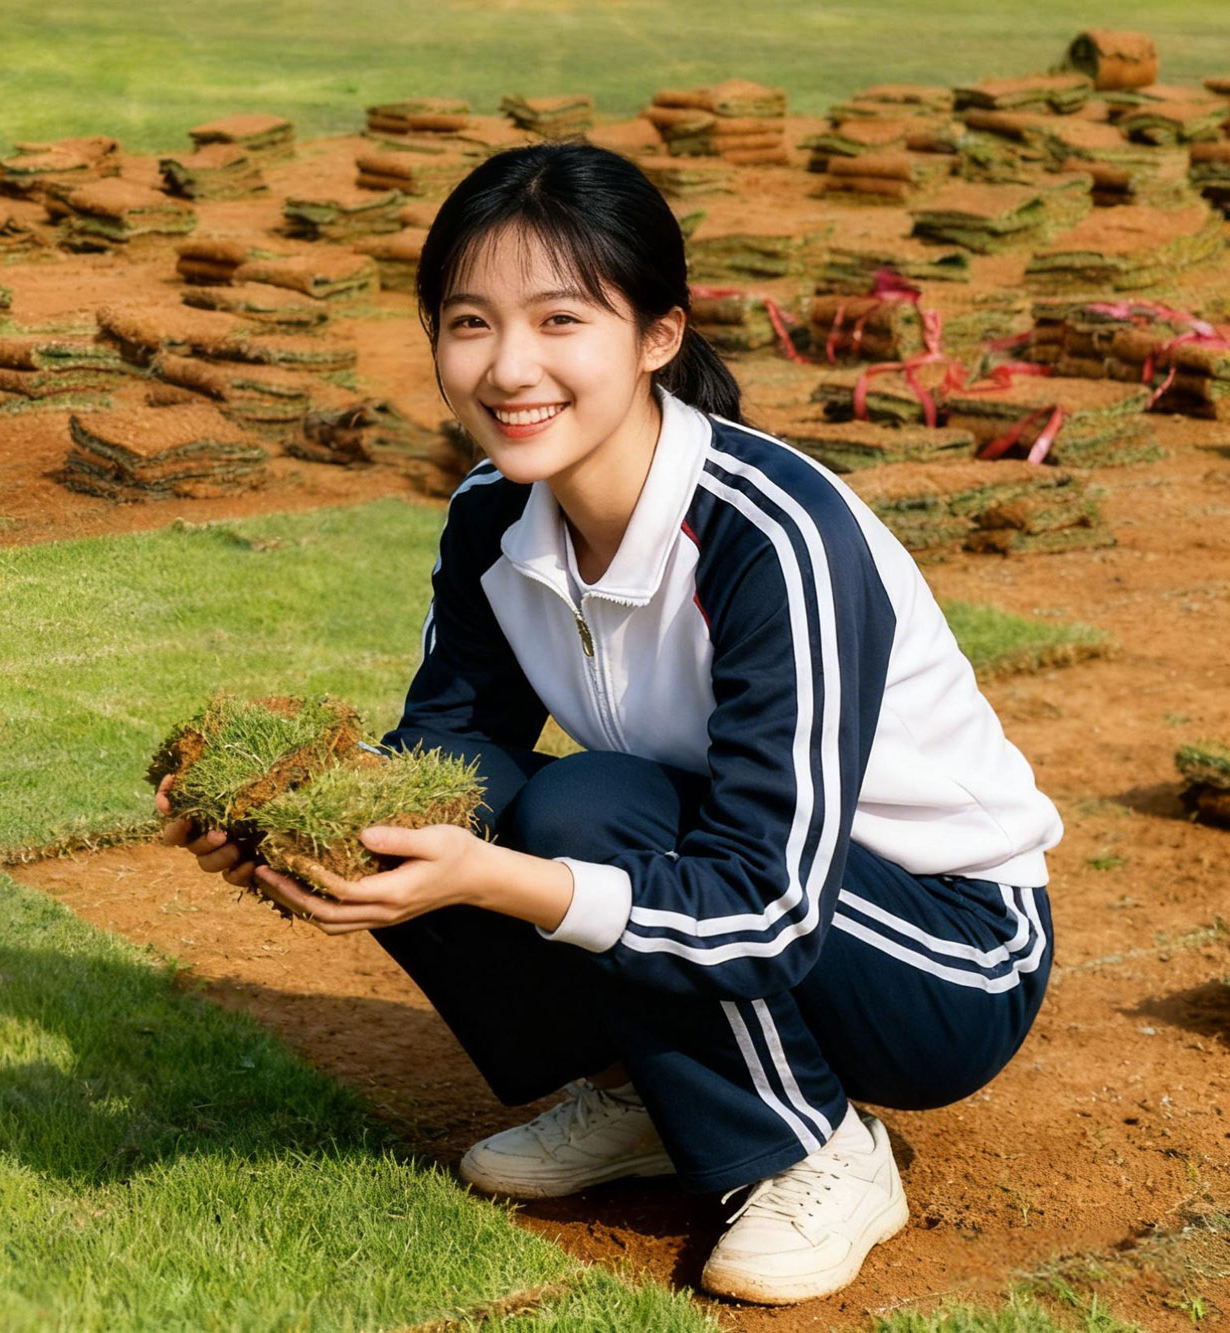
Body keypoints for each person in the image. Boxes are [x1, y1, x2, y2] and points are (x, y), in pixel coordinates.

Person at [157, 143, 1060, 1306]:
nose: (507, 365)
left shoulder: (769, 538)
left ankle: (817, 1145)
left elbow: (775, 906)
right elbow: (451, 757)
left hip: (943, 956)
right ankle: (657, 1083)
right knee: (453, 797)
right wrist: (297, 818)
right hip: (745, 881)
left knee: (587, 809)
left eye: (559, 320)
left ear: (657, 337)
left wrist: (500, 878)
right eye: (469, 322)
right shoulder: (491, 515)